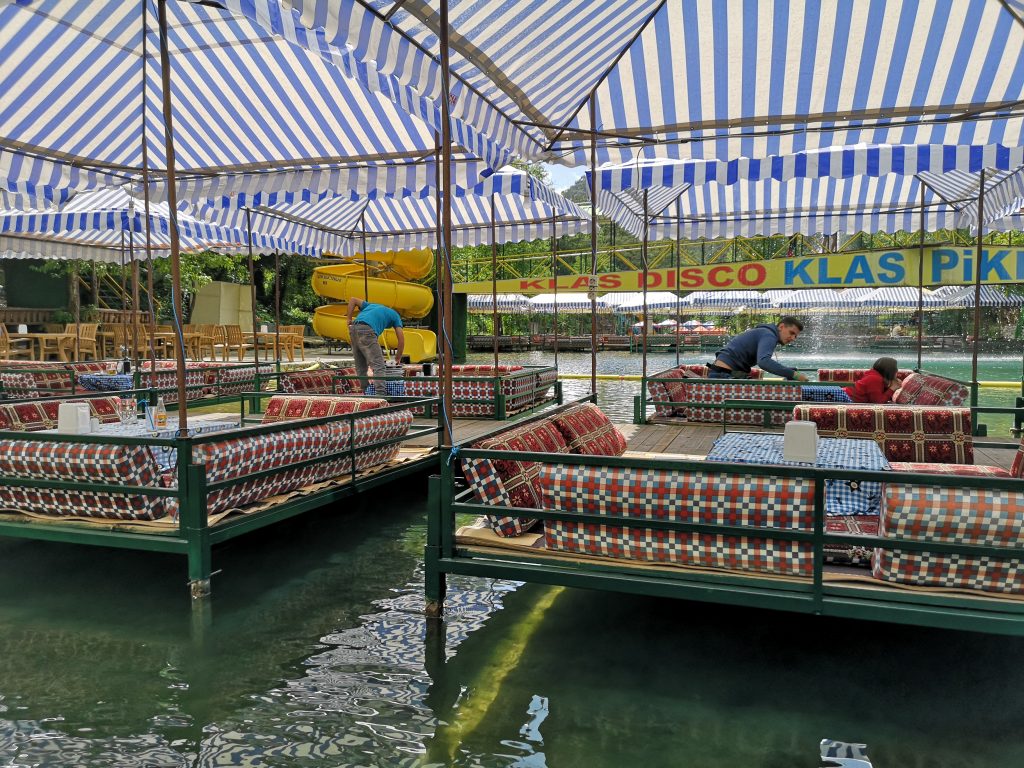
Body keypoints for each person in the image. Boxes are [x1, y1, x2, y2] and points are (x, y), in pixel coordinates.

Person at [707, 316, 808, 381]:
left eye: (796, 336)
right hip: (723, 377)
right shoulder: (769, 335)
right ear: (781, 327)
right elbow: (764, 362)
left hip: (721, 373)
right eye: (792, 333)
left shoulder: (765, 332)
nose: (793, 338)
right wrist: (793, 374)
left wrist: (788, 371)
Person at [346, 296, 405, 394]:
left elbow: (353, 300)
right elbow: (401, 339)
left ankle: (365, 393)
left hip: (353, 329)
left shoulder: (372, 306)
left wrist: (348, 319)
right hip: (367, 330)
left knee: (361, 366)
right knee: (379, 366)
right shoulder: (396, 316)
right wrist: (398, 358)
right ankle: (380, 395)